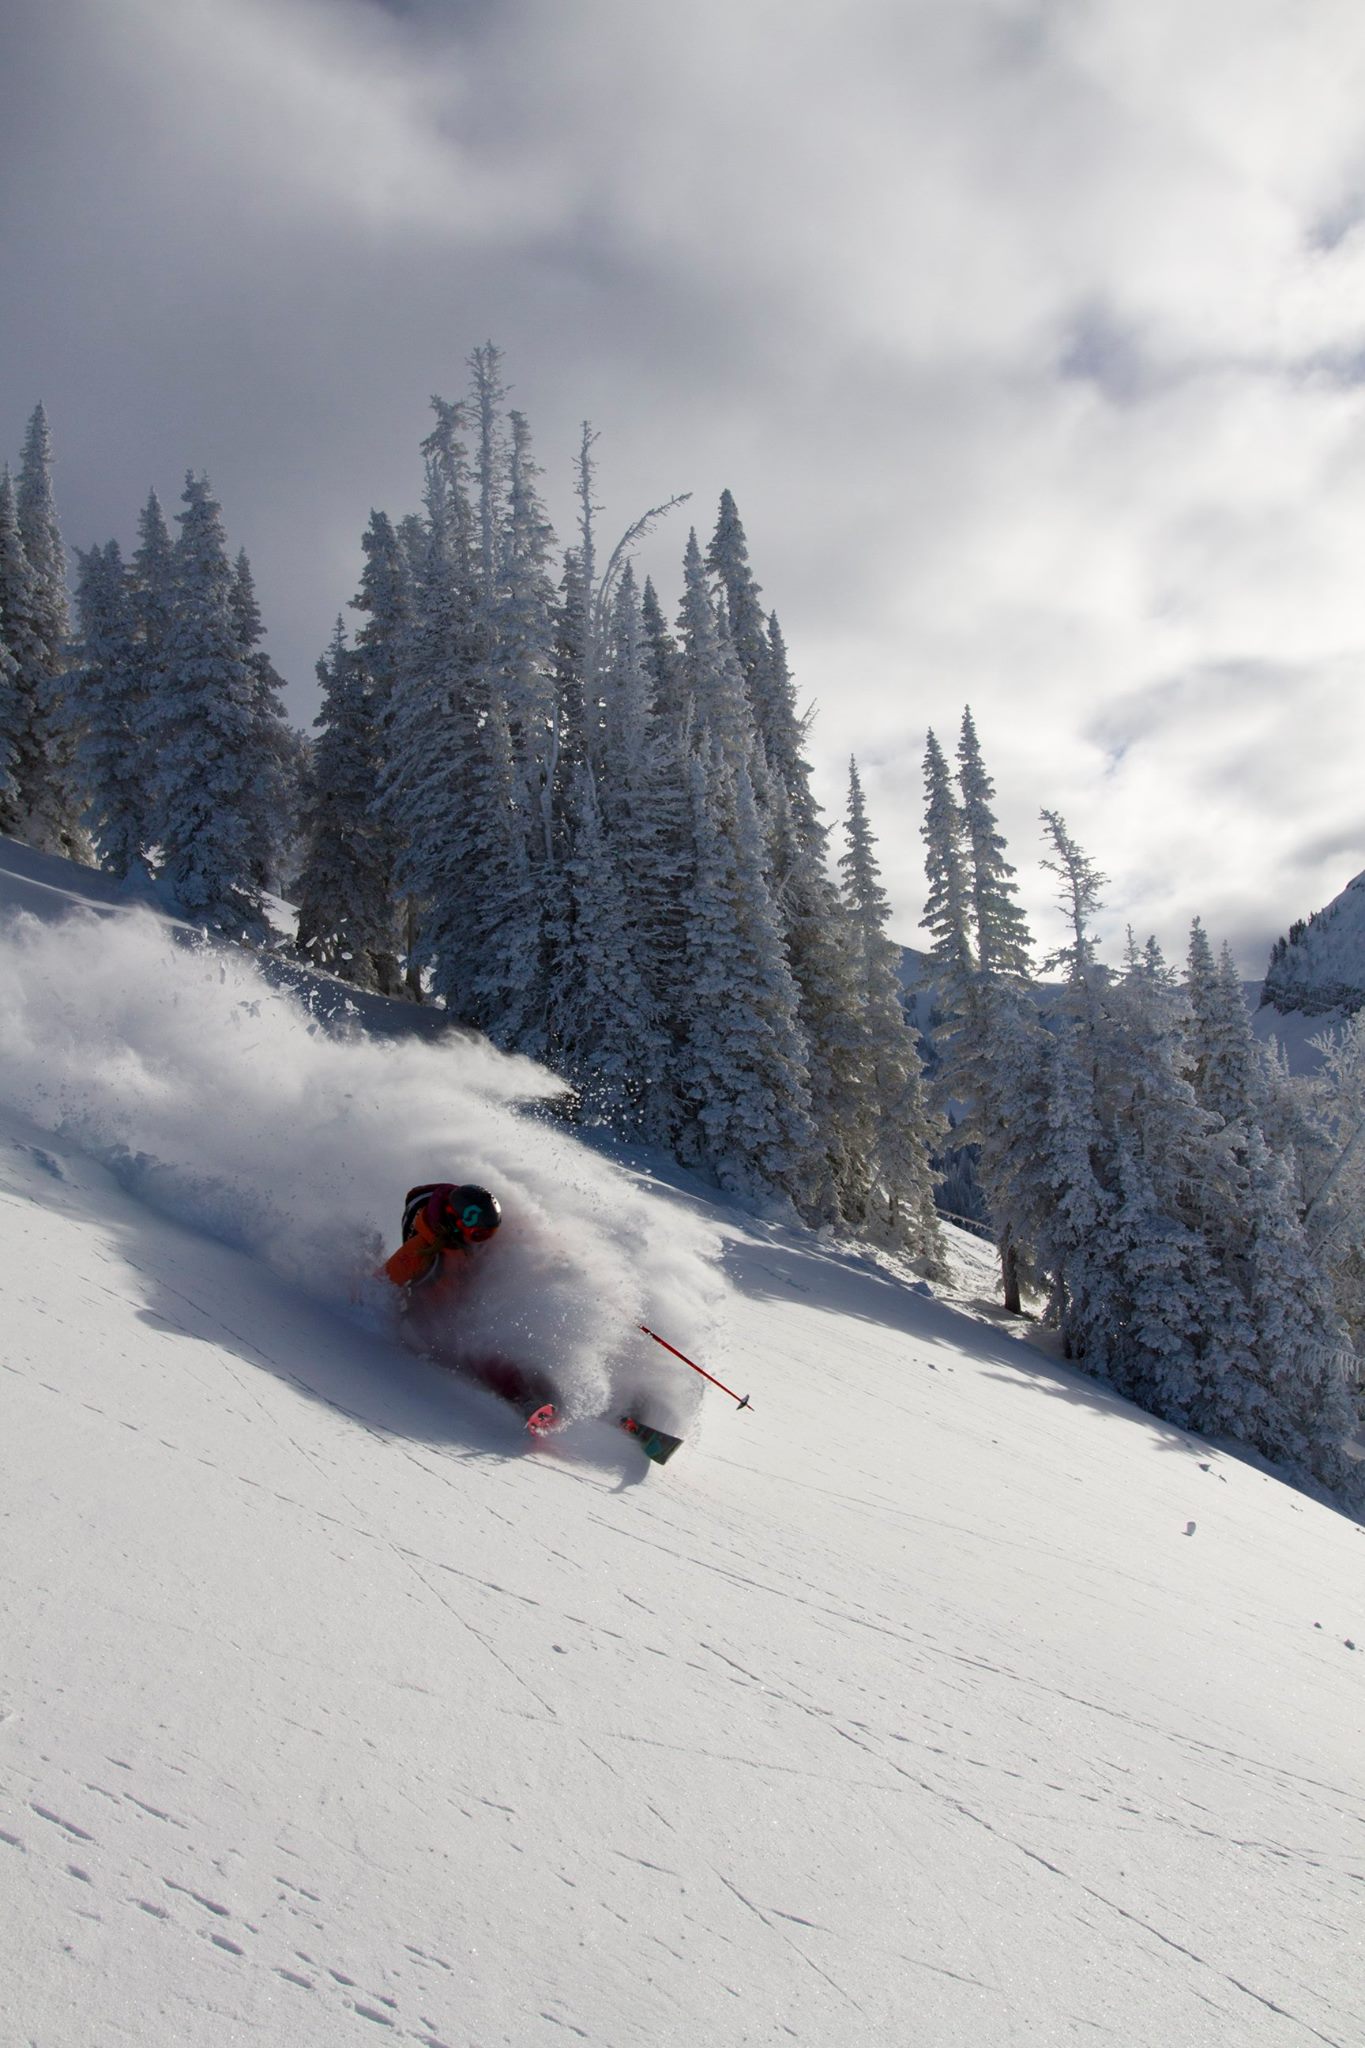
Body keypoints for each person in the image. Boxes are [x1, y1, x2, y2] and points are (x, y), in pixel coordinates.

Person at [380, 1182, 502, 1304]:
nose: (485, 1241)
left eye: (490, 1233)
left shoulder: (475, 1242)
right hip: (428, 1305)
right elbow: (378, 1287)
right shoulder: (419, 1252)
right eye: (478, 1235)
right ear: (455, 1226)